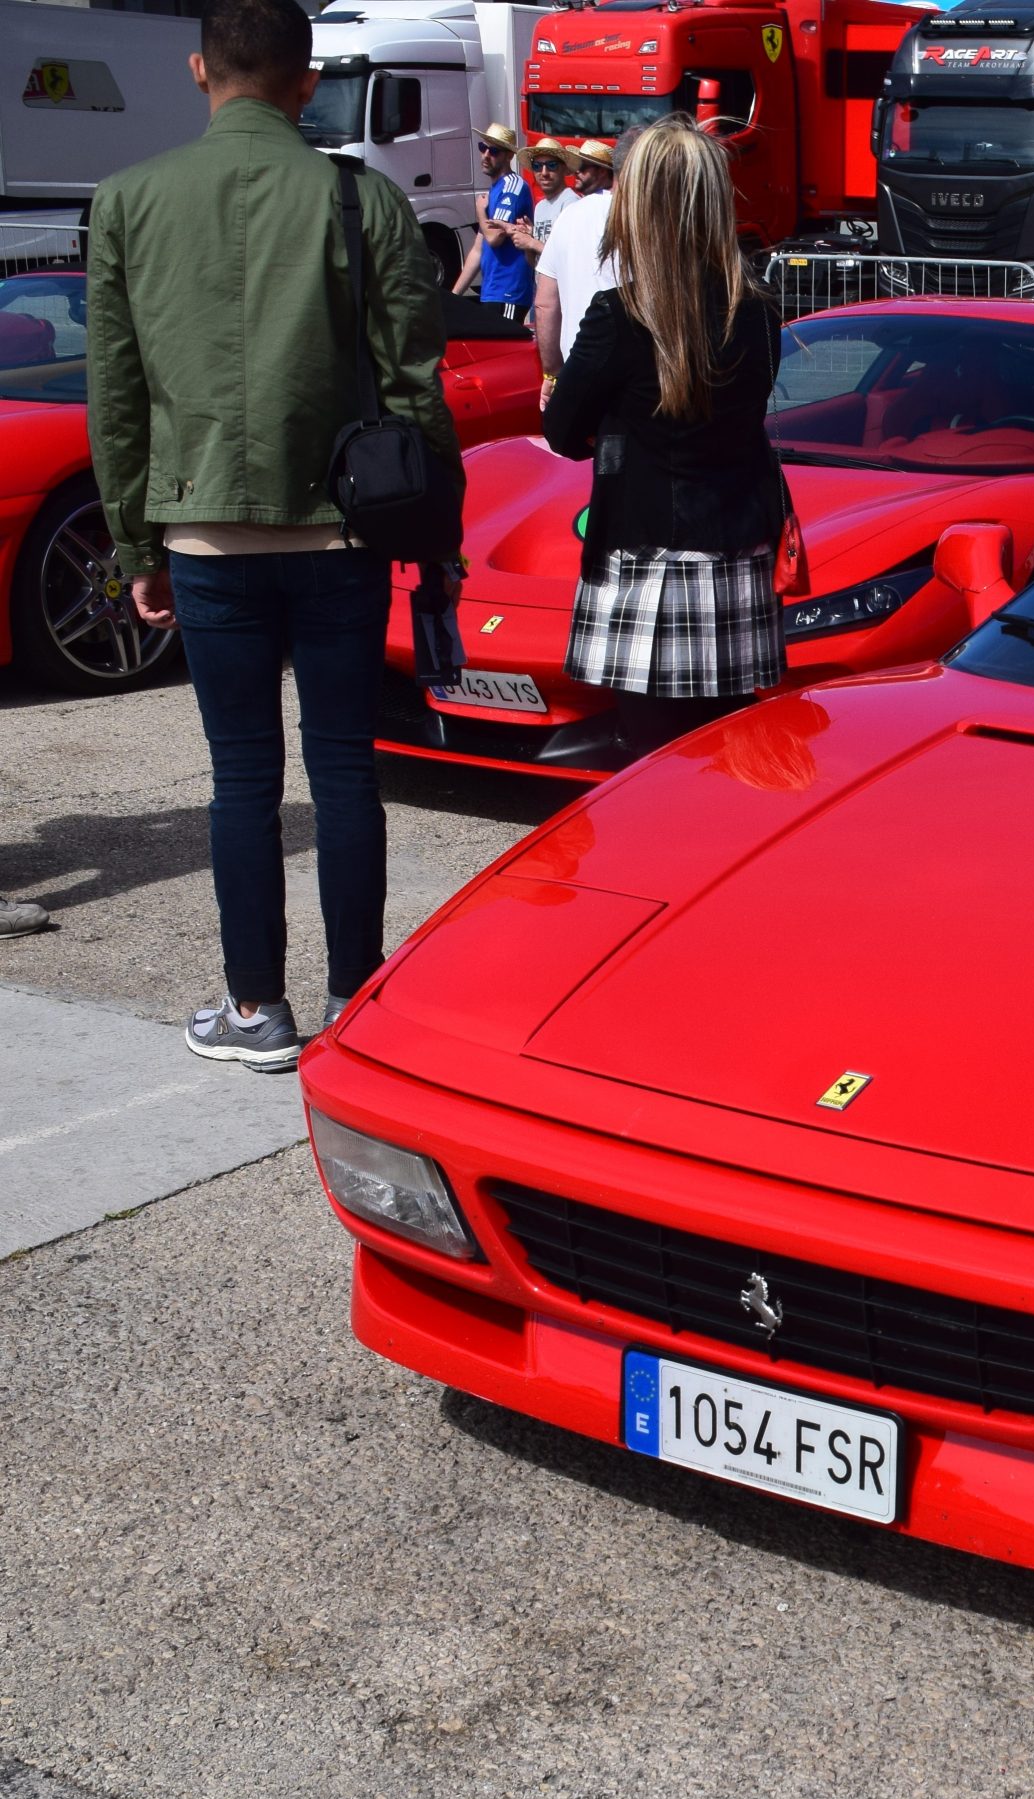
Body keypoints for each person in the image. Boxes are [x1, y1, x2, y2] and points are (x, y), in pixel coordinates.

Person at [86, 0, 462, 1071]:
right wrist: (436, 533)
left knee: (241, 777)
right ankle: (354, 1001)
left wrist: (133, 549)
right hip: (343, 529)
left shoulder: (128, 201)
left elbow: (115, 398)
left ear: (199, 69)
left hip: (203, 530)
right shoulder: (364, 198)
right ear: (307, 82)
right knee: (346, 768)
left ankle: (256, 1009)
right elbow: (416, 388)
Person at [543, 117, 784, 758]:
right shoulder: (756, 310)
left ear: (639, 205)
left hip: (646, 564)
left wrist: (614, 430)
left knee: (654, 772)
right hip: (735, 558)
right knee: (728, 766)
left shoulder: (620, 313)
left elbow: (562, 431)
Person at [534, 139, 616, 396]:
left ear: (603, 172)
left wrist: (552, 372)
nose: (576, 172)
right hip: (627, 364)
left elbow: (545, 304)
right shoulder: (634, 213)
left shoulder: (569, 215)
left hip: (577, 363)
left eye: (584, 167)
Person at [451, 122, 534, 321]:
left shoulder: (512, 186)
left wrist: (480, 211)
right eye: (483, 148)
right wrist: (452, 297)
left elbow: (494, 237)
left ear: (509, 156)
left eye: (494, 151)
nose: (486, 155)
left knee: (506, 349)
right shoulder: (494, 190)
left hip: (509, 292)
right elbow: (477, 250)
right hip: (492, 290)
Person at [511, 138, 577, 263]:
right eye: (537, 166)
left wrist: (531, 242)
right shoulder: (540, 207)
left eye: (552, 165)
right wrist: (527, 237)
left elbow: (569, 255)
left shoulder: (571, 202)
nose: (544, 172)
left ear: (564, 168)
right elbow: (534, 262)